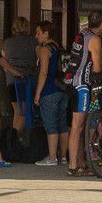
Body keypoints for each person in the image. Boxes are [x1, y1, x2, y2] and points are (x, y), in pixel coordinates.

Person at [65, 10, 102, 177]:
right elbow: (96, 66)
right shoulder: (95, 39)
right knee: (78, 126)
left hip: (72, 82)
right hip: (82, 85)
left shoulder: (82, 34)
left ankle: (80, 163)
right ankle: (73, 166)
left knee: (78, 127)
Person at [33, 21, 69, 166]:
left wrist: (37, 94)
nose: (36, 36)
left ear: (46, 33)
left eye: (38, 32)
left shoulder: (44, 50)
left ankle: (52, 157)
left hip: (49, 90)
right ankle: (64, 157)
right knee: (62, 124)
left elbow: (43, 72)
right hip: (63, 89)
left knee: (50, 124)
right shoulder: (60, 47)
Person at [2, 17, 38, 133]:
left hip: (11, 81)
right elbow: (38, 61)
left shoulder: (7, 42)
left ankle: (13, 137)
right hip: (27, 80)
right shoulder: (34, 42)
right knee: (24, 111)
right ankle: (14, 138)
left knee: (17, 111)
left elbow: (4, 62)